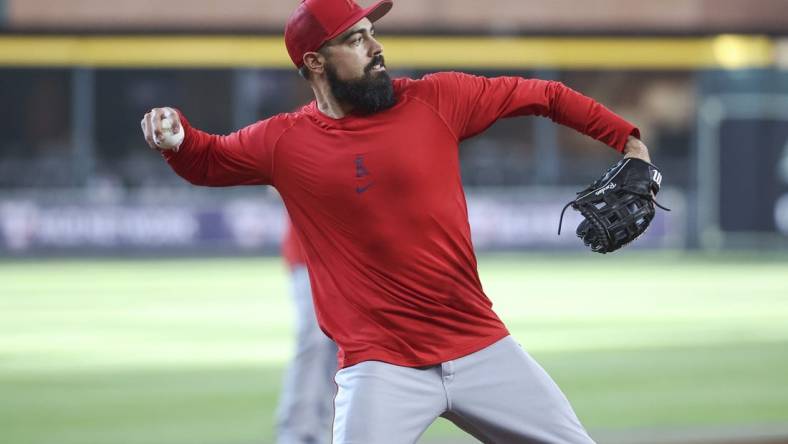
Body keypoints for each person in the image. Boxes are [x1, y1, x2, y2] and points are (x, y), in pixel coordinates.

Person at [140, 0, 654, 442]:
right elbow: (207, 159)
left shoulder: (436, 100)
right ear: (316, 62)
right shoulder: (284, 141)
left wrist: (627, 140)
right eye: (356, 39)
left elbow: (545, 96)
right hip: (380, 368)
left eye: (372, 33)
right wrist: (176, 136)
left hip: (480, 346)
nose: (375, 46)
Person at [277, 220, 337, 444]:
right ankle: (296, 432)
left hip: (352, 256)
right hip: (308, 255)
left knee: (348, 346)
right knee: (313, 341)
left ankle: (331, 429)